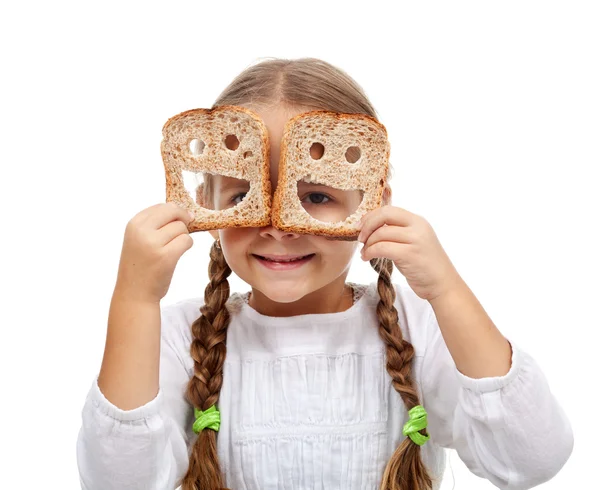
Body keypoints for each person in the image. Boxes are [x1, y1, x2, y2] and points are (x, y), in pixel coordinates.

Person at [76, 57, 573, 490]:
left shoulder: (419, 326)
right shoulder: (179, 337)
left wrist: (446, 289)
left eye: (315, 196)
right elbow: (120, 481)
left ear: (373, 202)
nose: (277, 227)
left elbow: (531, 461)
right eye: (243, 196)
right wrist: (134, 301)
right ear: (206, 206)